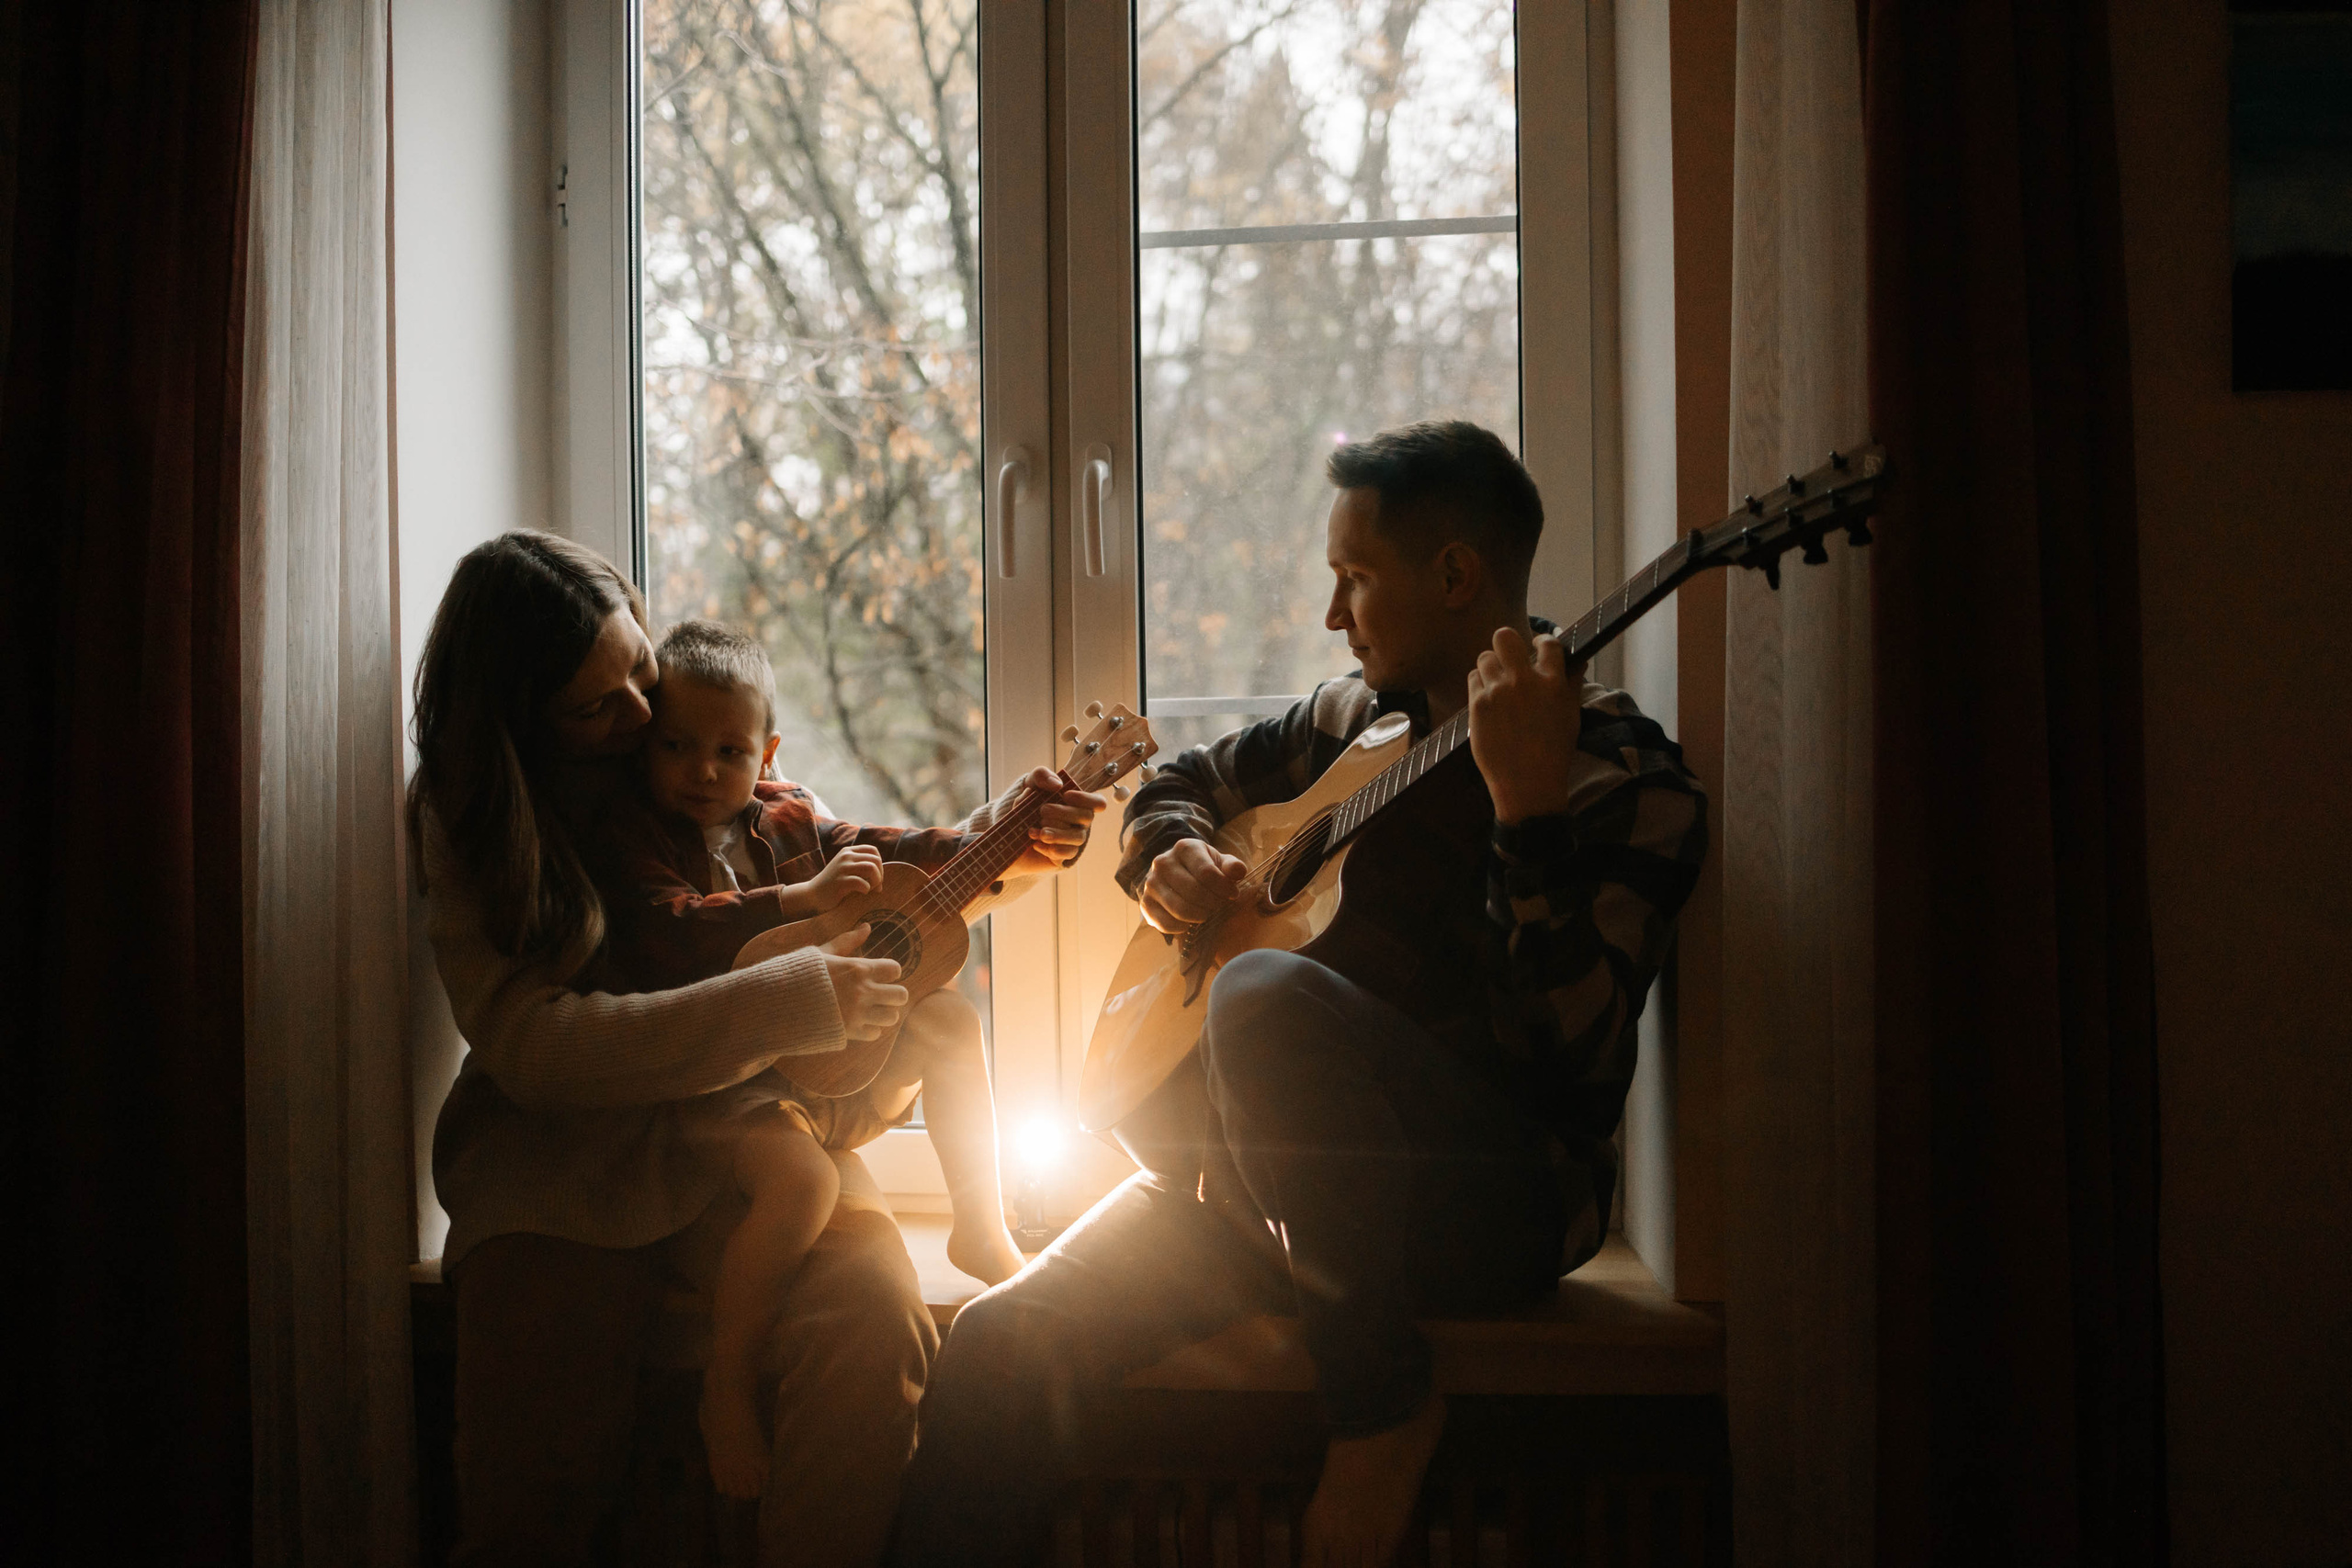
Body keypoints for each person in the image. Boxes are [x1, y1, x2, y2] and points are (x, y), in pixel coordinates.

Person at [888, 422, 1709, 1568]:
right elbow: (1176, 781)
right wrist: (1166, 855)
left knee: (1267, 990)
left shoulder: (1626, 780)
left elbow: (1565, 1061)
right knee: (993, 1347)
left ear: (1458, 576)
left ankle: (1377, 1409)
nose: (1334, 616)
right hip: (1258, 1195)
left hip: (1483, 1204)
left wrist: (1526, 820)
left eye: (1355, 580)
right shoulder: (1350, 725)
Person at [412, 531, 1101, 1568]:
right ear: (519, 723)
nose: (645, 717)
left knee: (875, 1321)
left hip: (757, 1118)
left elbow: (861, 877)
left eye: (637, 670)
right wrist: (788, 1001)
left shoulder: (702, 753)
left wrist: (1013, 842)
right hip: (564, 1167)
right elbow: (537, 1048)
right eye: (597, 707)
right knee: (538, 1447)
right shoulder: (474, 818)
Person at [580, 618, 1033, 1499]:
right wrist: (800, 900)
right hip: (728, 1089)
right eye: (676, 746)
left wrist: (1013, 833)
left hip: (829, 1075)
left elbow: (900, 852)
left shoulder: (789, 814)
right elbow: (673, 931)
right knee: (807, 1185)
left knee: (948, 1022)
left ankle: (982, 1222)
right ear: (645, 746)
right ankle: (728, 1385)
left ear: (768, 751)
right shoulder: (636, 839)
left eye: (729, 749)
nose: (703, 770)